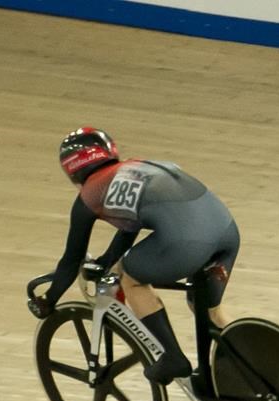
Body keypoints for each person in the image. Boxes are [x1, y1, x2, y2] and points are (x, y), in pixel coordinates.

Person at [27, 126, 240, 386]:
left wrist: (48, 300)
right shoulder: (137, 167)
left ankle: (173, 358)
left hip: (186, 243)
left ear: (72, 167)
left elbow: (71, 260)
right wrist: (106, 262)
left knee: (131, 278)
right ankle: (251, 362)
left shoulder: (90, 194)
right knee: (207, 309)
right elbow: (130, 226)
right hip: (227, 232)